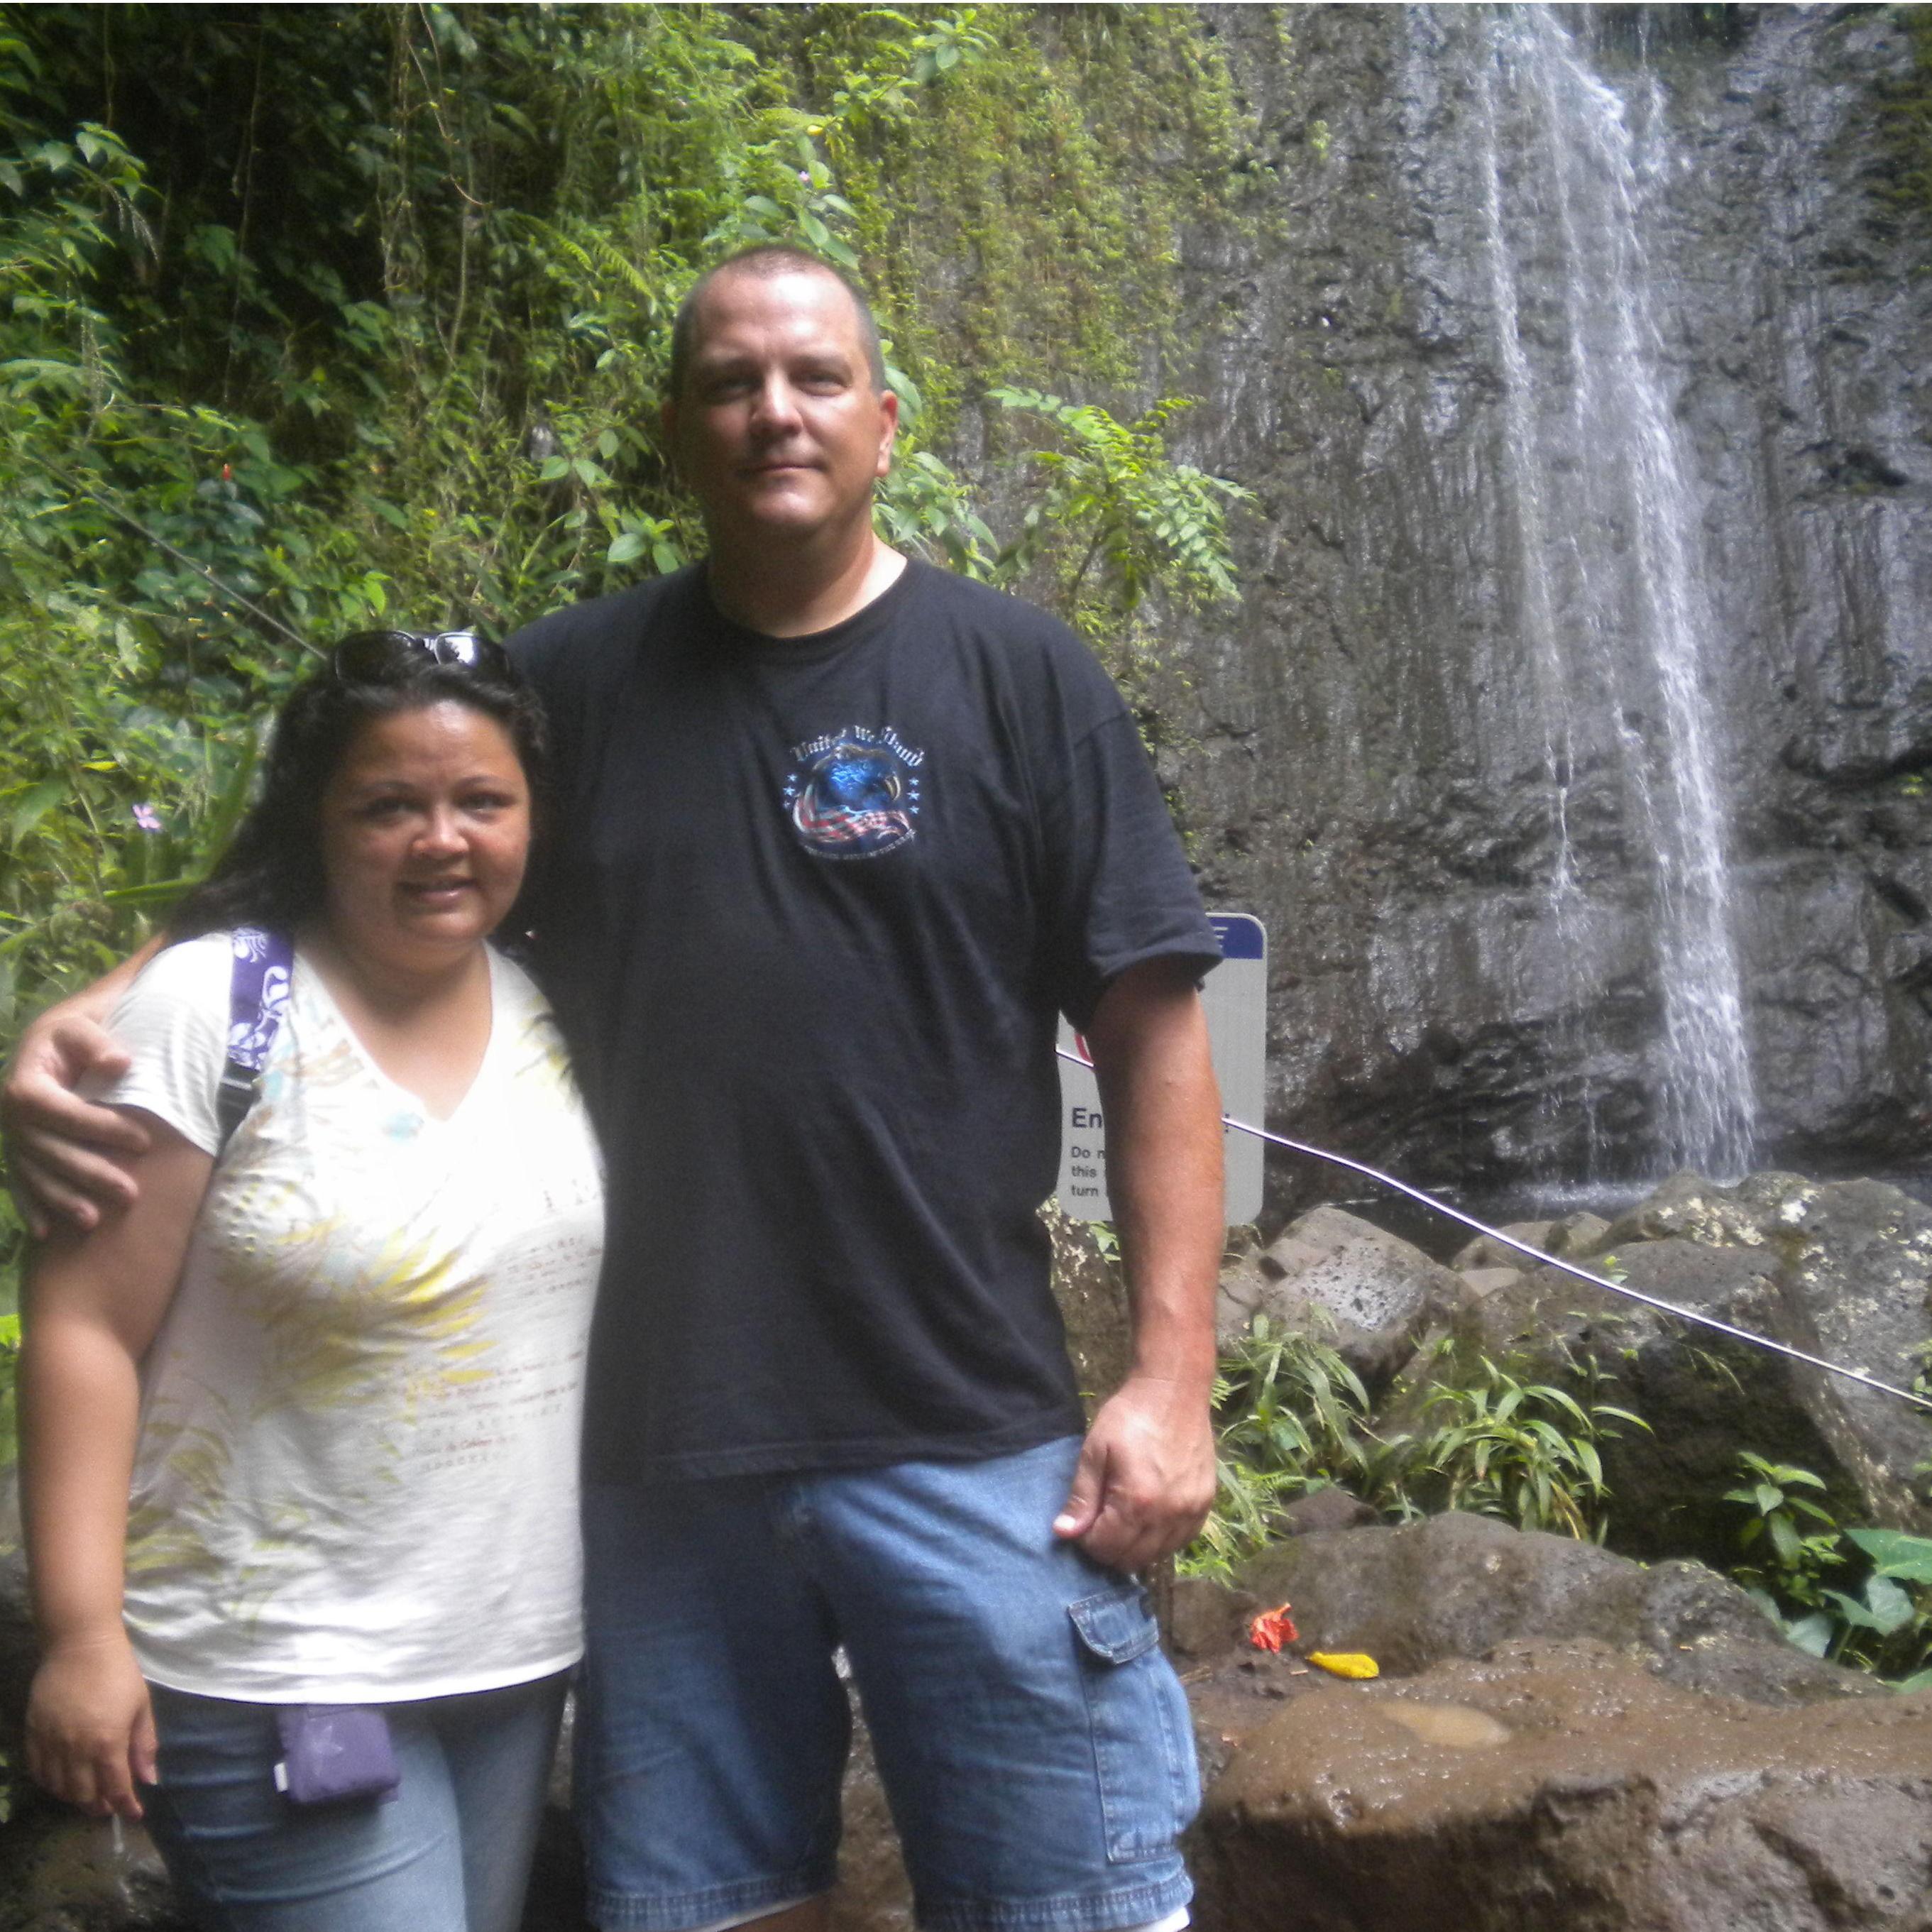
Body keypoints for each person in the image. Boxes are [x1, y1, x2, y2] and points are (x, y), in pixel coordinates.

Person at [6, 246, 1226, 1932]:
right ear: (673, 430)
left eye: (810, 379)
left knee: (1073, 1898)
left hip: (969, 1424)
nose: (771, 412)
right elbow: (363, 839)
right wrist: (102, 1004)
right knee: (706, 1907)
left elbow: (1156, 1024)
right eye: (728, 383)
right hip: (656, 1457)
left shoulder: (1018, 677)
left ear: (885, 419)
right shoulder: (570, 688)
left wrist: (1171, 1377)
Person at [15, 632, 605, 1932]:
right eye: (388, 804)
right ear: (318, 819)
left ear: (533, 818)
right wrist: (80, 1632)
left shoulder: (548, 999)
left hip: (507, 1654)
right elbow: (81, 1327)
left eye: (480, 802)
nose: (439, 839)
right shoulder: (214, 1008)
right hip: (274, 1664)